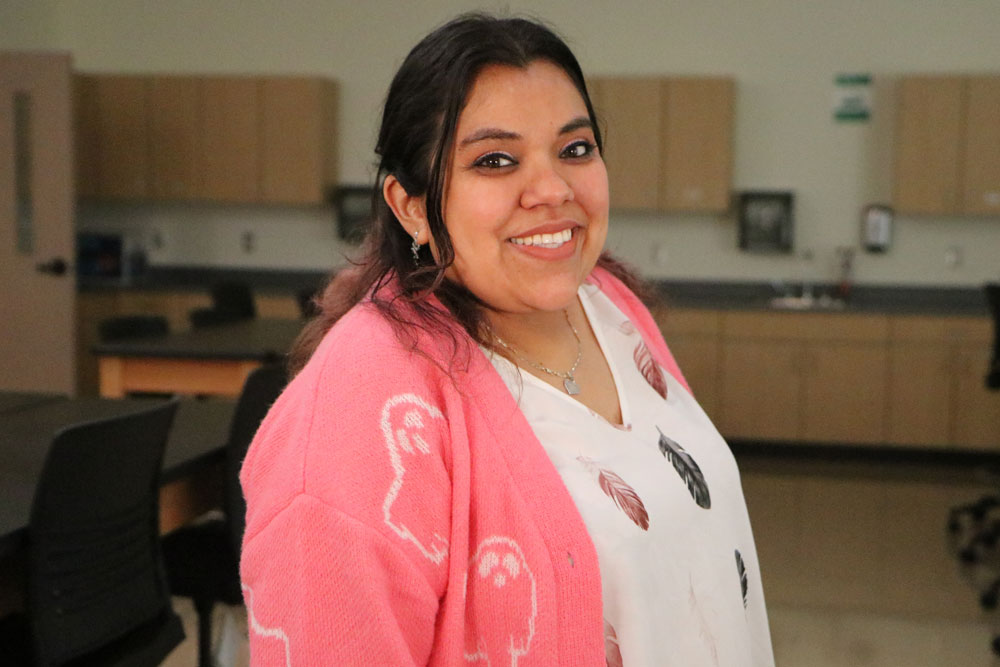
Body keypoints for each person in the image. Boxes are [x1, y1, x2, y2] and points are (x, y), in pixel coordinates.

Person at [239, 12, 774, 666]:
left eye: (575, 149)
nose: (552, 189)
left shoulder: (607, 304)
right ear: (410, 205)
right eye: (495, 160)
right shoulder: (359, 414)